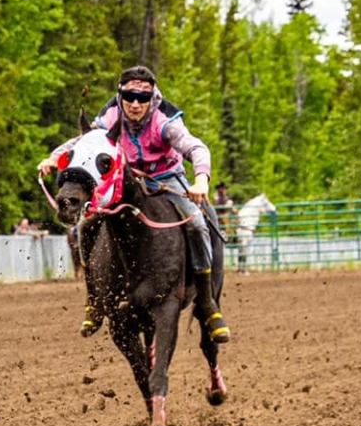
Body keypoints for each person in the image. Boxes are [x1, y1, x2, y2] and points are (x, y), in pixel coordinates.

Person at [49, 65, 230, 343]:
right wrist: (54, 157)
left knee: (197, 222)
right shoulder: (109, 116)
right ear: (120, 95)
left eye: (142, 98)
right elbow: (84, 142)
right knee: (86, 225)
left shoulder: (166, 121)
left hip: (167, 180)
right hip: (125, 185)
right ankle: (94, 299)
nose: (135, 103)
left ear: (152, 97)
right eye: (129, 96)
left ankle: (206, 300)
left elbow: (196, 148)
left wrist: (202, 181)